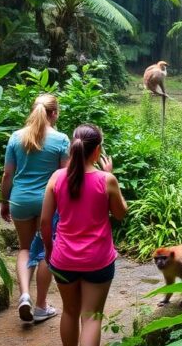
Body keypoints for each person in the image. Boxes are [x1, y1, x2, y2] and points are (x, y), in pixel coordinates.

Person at [41, 125, 128, 346]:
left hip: (63, 258)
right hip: (98, 259)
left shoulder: (57, 177)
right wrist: (110, 174)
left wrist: (49, 250)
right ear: (97, 150)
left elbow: (45, 221)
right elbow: (120, 214)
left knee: (69, 312)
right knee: (91, 317)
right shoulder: (106, 180)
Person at [0, 93, 68, 323]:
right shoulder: (61, 139)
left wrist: (4, 202)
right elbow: (64, 176)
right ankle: (41, 306)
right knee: (46, 250)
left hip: (19, 200)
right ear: (54, 113)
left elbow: (7, 174)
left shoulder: (16, 137)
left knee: (25, 248)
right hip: (47, 201)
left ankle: (24, 296)